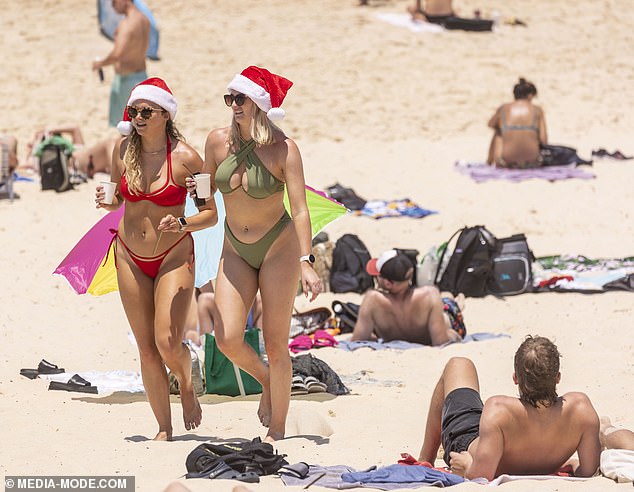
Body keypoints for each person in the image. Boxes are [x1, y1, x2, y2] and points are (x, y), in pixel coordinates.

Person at [191, 65, 321, 441]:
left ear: (259, 104)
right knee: (229, 338)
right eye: (229, 98)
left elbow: (299, 209)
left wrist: (306, 261)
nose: (233, 105)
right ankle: (267, 380)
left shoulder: (284, 149)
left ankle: (277, 431)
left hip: (279, 247)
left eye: (241, 99)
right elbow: (204, 198)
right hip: (235, 247)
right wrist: (193, 196)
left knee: (277, 342)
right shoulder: (216, 142)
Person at [95, 77, 217, 440]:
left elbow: (209, 213)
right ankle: (164, 428)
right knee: (147, 349)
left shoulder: (187, 157)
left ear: (165, 113)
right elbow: (119, 197)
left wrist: (181, 222)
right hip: (129, 255)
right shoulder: (121, 151)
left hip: (173, 256)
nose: (138, 117)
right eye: (133, 111)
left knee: (167, 341)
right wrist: (109, 201)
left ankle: (186, 380)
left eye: (146, 111)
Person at [418, 336, 601, 480]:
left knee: (458, 364)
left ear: (515, 378)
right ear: (557, 377)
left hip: (467, 444)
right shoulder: (581, 409)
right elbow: (588, 470)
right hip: (507, 445)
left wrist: (466, 464)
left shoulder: (499, 410)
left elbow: (481, 476)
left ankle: (424, 460)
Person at [350, 250, 466, 345]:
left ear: (388, 283)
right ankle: (457, 302)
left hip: (448, 316)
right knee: (446, 297)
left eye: (378, 276)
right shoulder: (430, 294)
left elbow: (357, 341)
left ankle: (458, 302)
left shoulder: (372, 299)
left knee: (448, 300)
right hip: (444, 320)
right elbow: (440, 342)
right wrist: (452, 335)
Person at [92, 0, 150, 128]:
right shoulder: (145, 19)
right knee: (140, 127)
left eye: (114, 2)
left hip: (126, 81)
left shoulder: (127, 24)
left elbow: (117, 54)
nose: (112, 6)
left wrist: (100, 63)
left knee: (125, 128)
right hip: (141, 76)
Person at [487, 78, 548, 169]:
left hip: (505, 163)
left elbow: (490, 124)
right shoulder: (537, 110)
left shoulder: (503, 108)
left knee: (498, 131)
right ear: (530, 95)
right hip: (532, 162)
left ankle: (489, 161)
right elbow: (543, 140)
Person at [24, 125, 117, 178]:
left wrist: (50, 130)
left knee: (117, 141)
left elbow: (75, 129)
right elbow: (20, 166)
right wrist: (30, 150)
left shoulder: (74, 146)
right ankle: (121, 175)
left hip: (87, 156)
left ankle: (122, 171)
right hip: (81, 163)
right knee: (109, 143)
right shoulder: (39, 158)